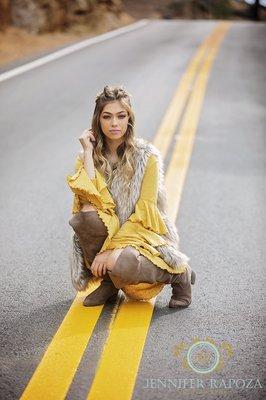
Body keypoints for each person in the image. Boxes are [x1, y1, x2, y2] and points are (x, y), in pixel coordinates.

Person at [66, 85, 196, 308]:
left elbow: (143, 212)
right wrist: (88, 152)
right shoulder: (87, 157)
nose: (114, 123)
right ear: (98, 120)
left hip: (141, 232)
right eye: (107, 117)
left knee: (123, 262)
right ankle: (109, 282)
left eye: (120, 116)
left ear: (129, 118)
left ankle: (179, 274)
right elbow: (90, 200)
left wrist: (109, 252)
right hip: (110, 231)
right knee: (87, 215)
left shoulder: (147, 157)